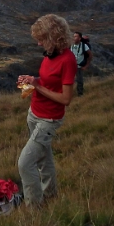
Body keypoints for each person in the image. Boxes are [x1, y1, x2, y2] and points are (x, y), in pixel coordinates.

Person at [15, 14, 75, 207]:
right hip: (34, 114)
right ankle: (51, 195)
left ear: (53, 37)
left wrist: (37, 86)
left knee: (25, 164)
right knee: (44, 160)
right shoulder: (50, 55)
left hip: (48, 120)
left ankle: (35, 210)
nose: (39, 44)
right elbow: (48, 83)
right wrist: (32, 82)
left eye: (41, 40)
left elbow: (66, 99)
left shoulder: (68, 60)